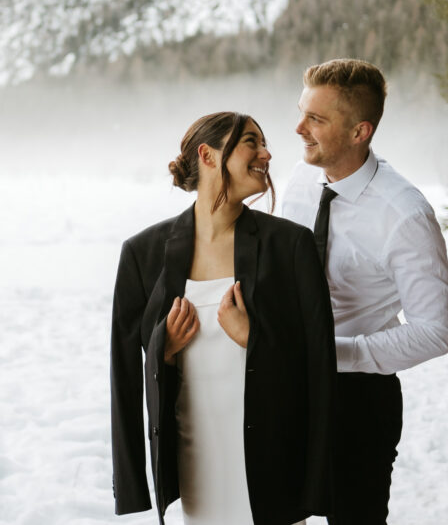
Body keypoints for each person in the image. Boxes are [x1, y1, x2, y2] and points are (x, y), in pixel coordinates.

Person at [111, 112, 336, 525]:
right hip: (195, 463)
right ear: (208, 155)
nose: (267, 154)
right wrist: (163, 350)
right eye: (251, 141)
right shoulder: (142, 254)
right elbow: (124, 377)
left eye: (264, 144)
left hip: (273, 466)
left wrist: (255, 339)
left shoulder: (291, 246)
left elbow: (319, 367)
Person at [281, 58, 448, 525]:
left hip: (356, 403)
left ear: (360, 131)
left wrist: (330, 353)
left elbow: (435, 332)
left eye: (316, 119)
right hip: (282, 389)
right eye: (302, 112)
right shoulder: (300, 179)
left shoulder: (406, 215)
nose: (299, 128)